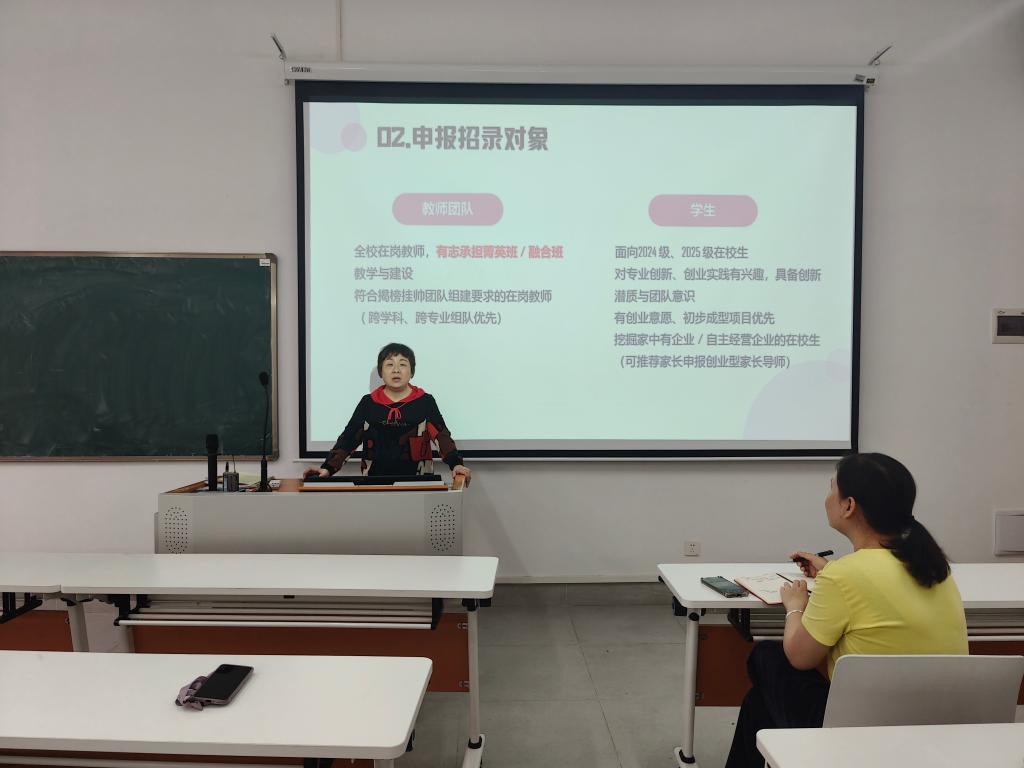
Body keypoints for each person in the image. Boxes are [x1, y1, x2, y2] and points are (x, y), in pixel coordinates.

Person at [726, 452, 967, 768]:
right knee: (761, 702)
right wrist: (829, 571)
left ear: (849, 506)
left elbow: (799, 657)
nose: (827, 499)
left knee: (767, 656)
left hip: (859, 732)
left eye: (831, 489)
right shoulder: (934, 567)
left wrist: (795, 607)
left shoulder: (845, 575)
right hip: (940, 728)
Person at [303, 343, 472, 484]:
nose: (396, 370)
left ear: (412, 372)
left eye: (403, 364)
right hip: (373, 483)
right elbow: (348, 439)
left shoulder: (425, 401)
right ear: (381, 372)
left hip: (419, 483)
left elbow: (442, 437)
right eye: (390, 364)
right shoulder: (368, 403)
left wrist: (456, 464)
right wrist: (327, 468)